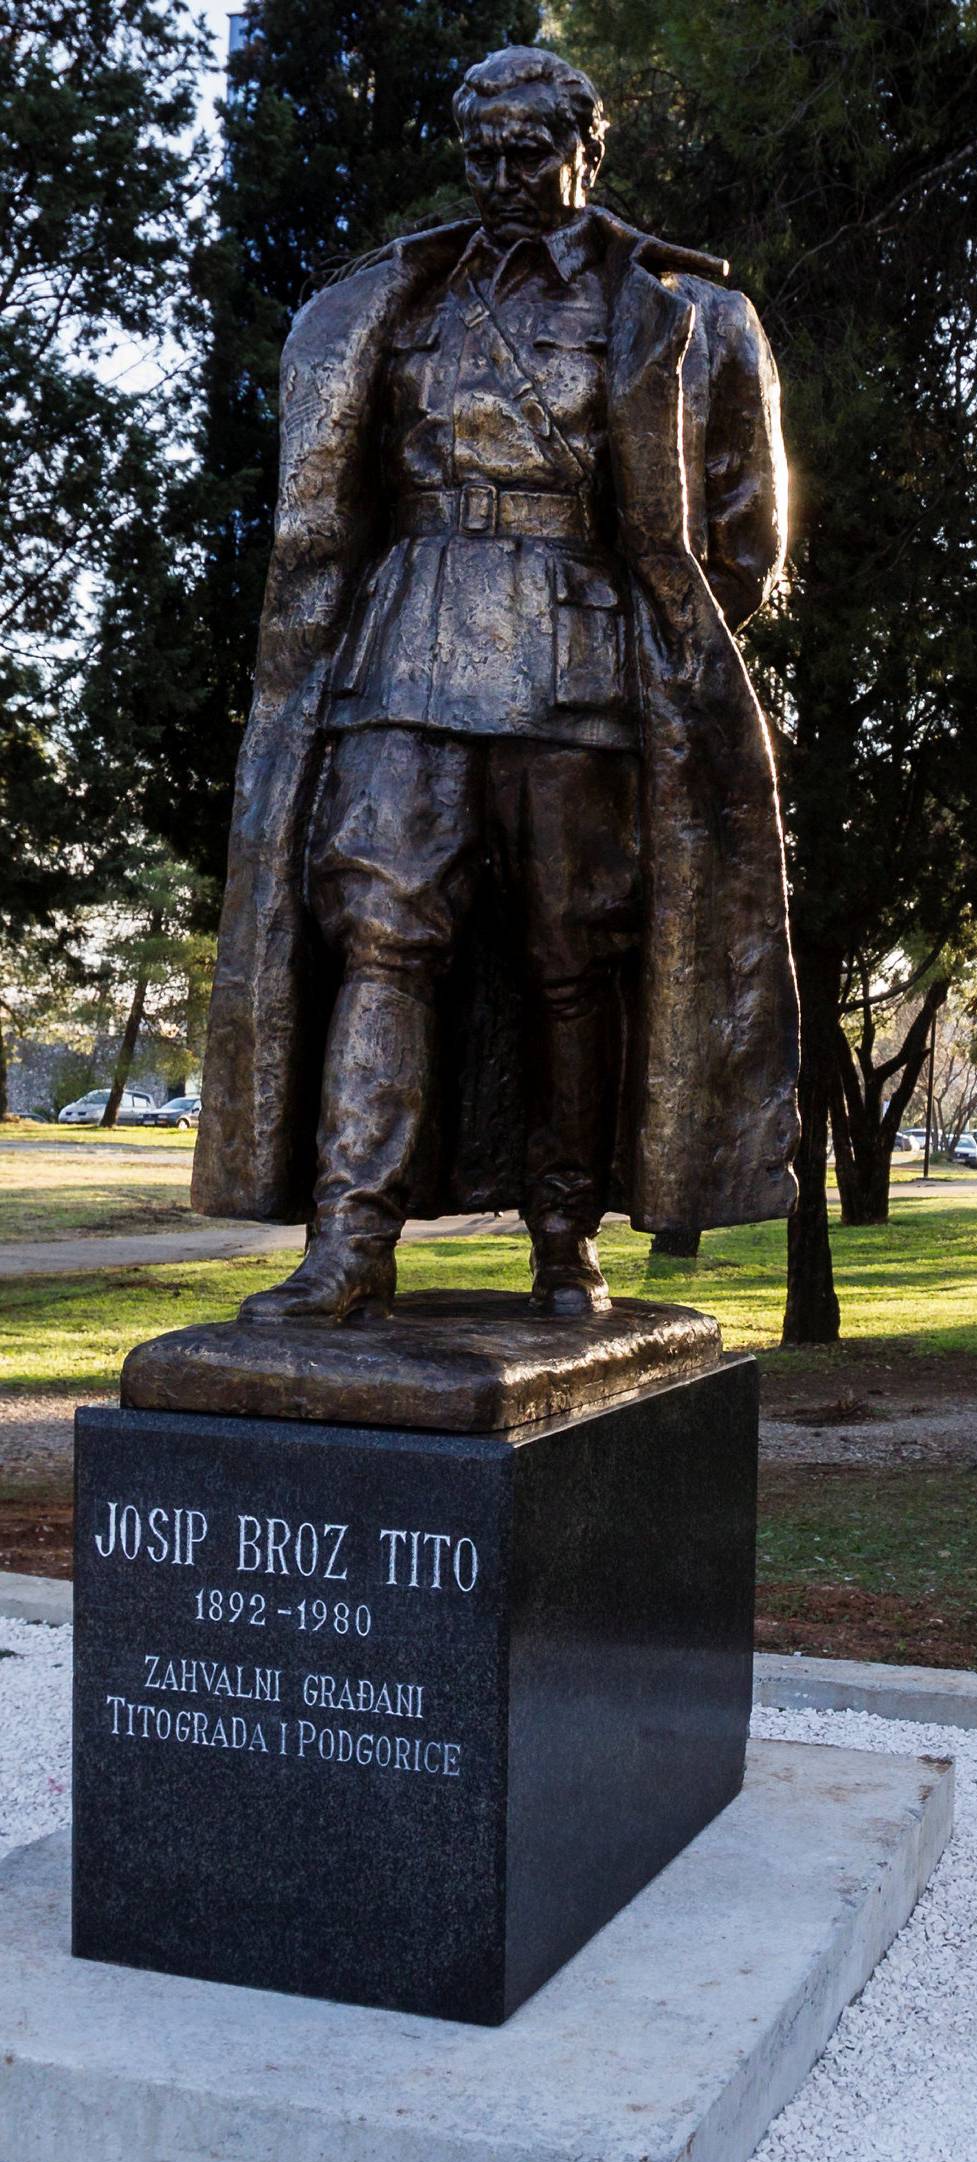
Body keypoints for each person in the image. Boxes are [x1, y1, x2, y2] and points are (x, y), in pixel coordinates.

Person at [192, 46, 798, 1322]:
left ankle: (566, 1237)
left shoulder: (686, 311)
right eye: (483, 154)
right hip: (401, 652)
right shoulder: (389, 300)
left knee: (572, 959)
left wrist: (647, 644)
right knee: (379, 935)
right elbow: (330, 505)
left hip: (580, 670)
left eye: (531, 150)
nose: (505, 177)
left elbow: (746, 540)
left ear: (589, 147)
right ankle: (348, 1243)